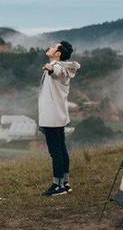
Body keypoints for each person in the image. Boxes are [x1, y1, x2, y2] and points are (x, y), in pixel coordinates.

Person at [38, 41, 80, 197]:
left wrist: (50, 69)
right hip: (57, 116)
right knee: (61, 149)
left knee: (55, 151)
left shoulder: (58, 67)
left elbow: (56, 72)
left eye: (54, 46)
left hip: (52, 117)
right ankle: (65, 183)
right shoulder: (60, 66)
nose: (49, 46)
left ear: (58, 54)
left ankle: (58, 186)